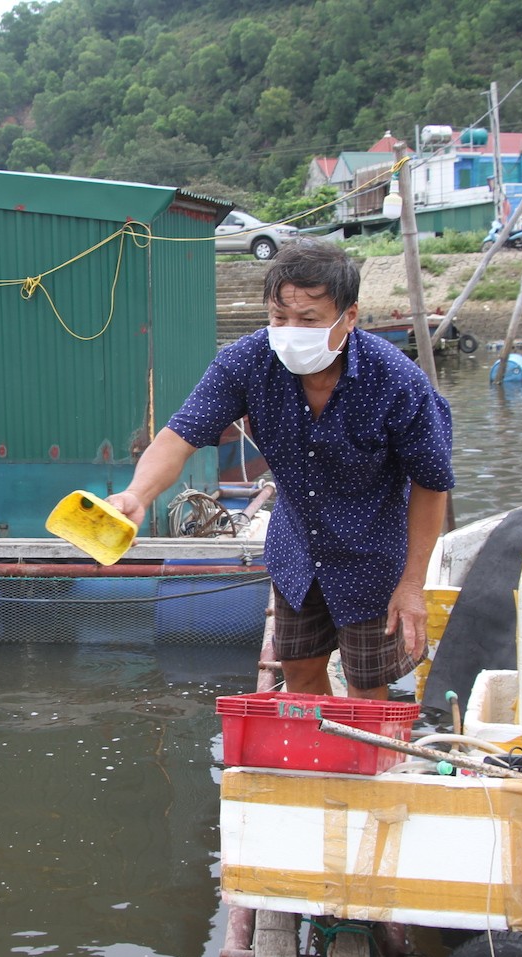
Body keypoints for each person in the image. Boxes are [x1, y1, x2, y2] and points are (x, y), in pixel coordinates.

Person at [106, 239, 454, 700]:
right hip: (298, 550)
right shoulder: (247, 360)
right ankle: (315, 759)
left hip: (373, 553)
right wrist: (138, 495)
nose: (290, 330)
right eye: (278, 317)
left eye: (308, 320)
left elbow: (431, 483)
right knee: (299, 671)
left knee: (367, 685)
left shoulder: (395, 380)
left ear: (348, 317)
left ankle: (362, 763)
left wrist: (412, 584)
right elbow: (180, 435)